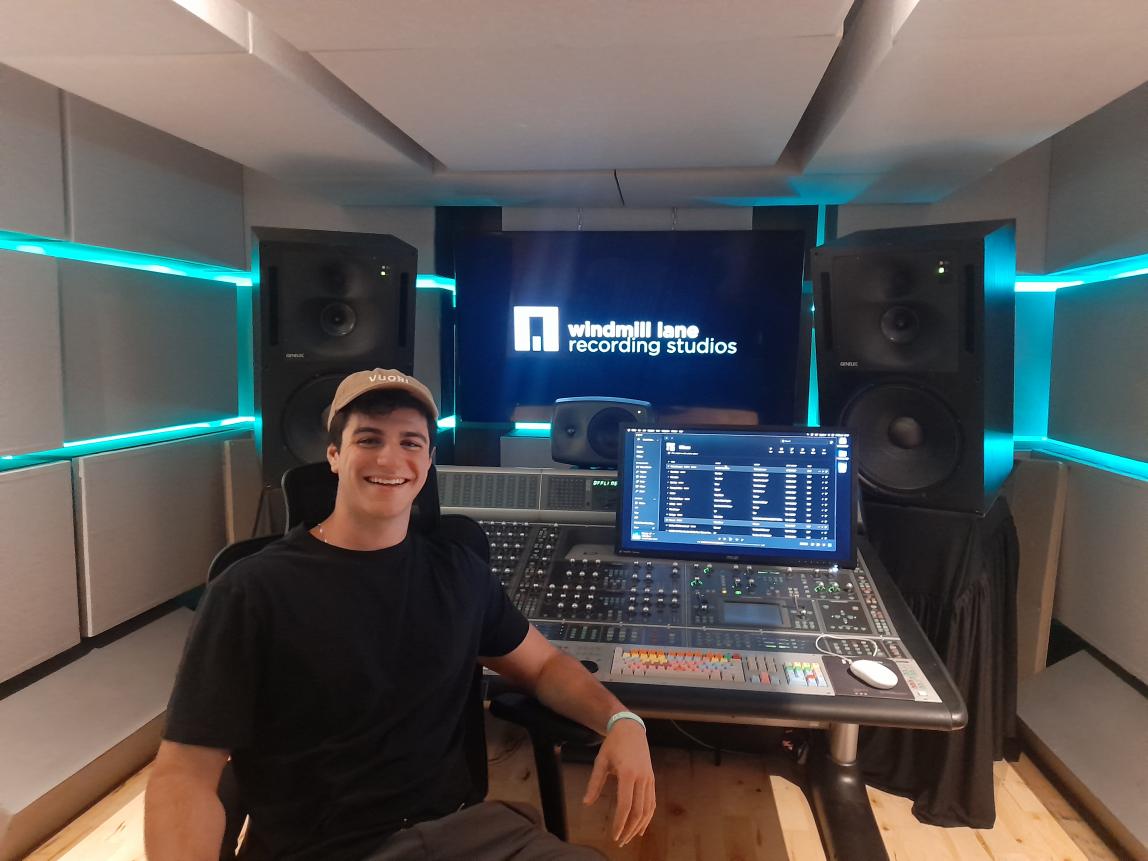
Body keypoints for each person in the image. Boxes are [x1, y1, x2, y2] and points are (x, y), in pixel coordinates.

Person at [145, 369, 656, 861]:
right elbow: (184, 774)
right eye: (369, 439)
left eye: (410, 442)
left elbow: (544, 666)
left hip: (466, 834)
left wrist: (621, 720)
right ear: (333, 455)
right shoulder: (252, 591)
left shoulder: (458, 572)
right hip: (327, 849)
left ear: (429, 460)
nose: (391, 458)